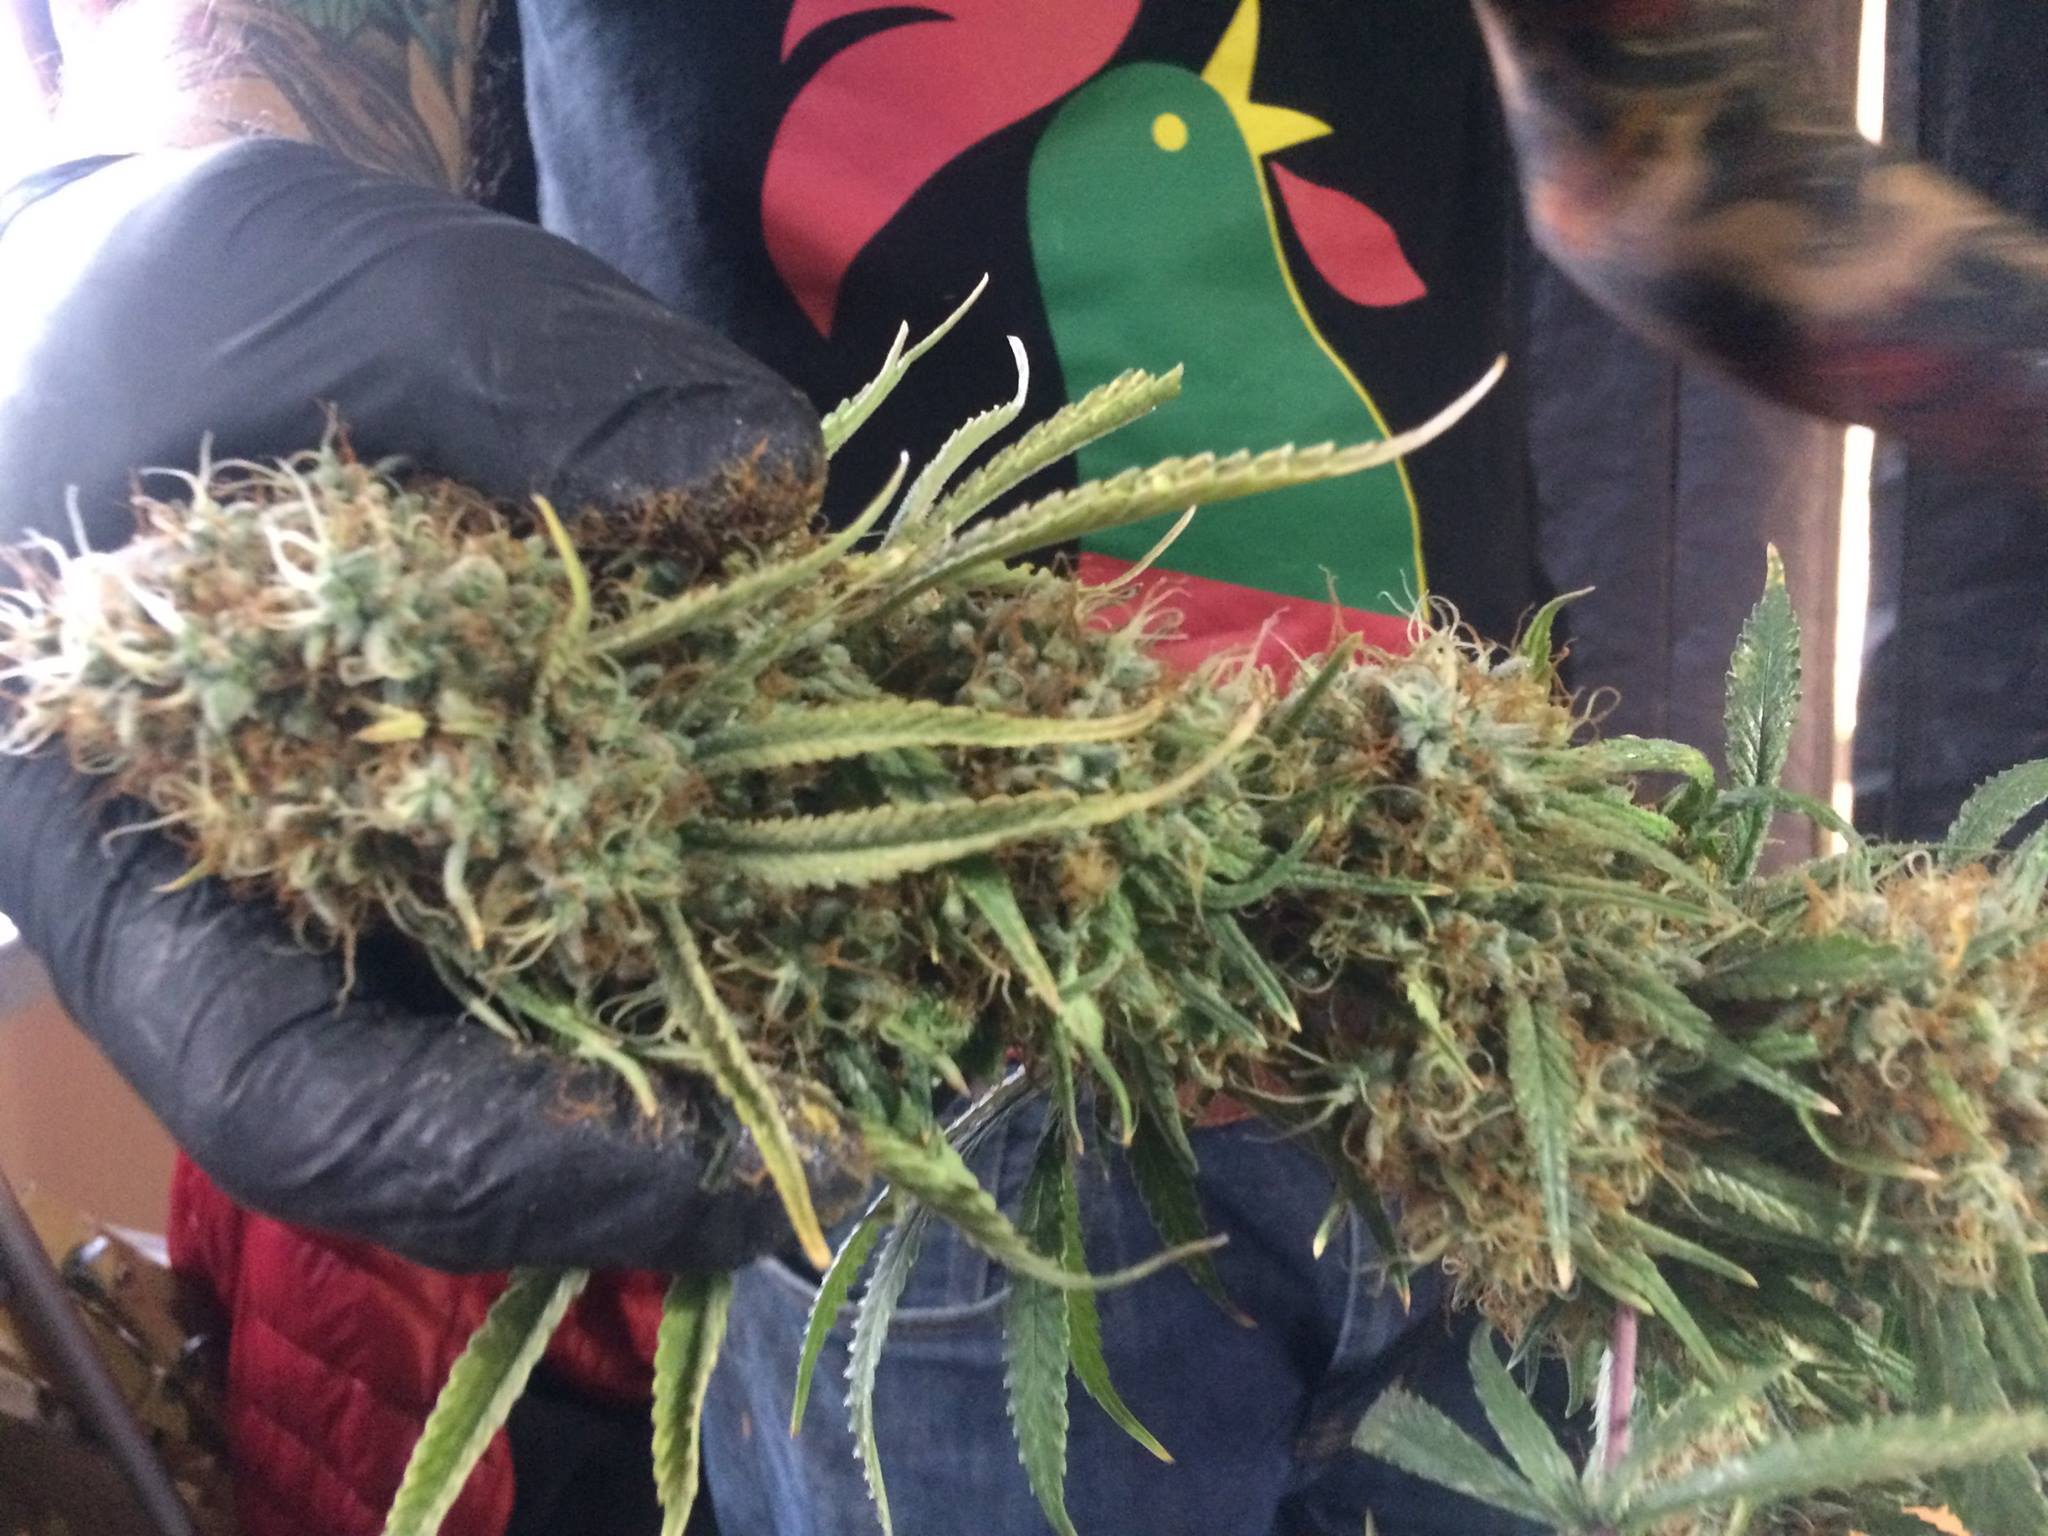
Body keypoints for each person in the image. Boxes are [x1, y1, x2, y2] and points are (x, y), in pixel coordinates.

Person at [2, 3, 2044, 1534]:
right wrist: (149, 219)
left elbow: (1679, 161)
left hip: (1482, 990)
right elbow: (278, 52)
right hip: (927, 1067)